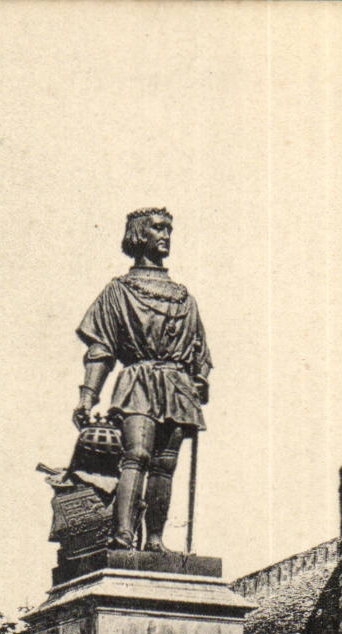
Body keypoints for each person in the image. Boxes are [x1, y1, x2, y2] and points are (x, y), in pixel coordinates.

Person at [74, 208, 211, 551]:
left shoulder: (184, 296)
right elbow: (101, 348)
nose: (166, 235)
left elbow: (200, 351)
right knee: (136, 455)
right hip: (138, 381)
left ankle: (154, 540)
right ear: (138, 234)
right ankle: (122, 535)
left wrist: (199, 378)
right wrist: (88, 396)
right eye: (158, 228)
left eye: (169, 229)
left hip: (177, 387)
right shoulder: (118, 291)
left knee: (166, 465)